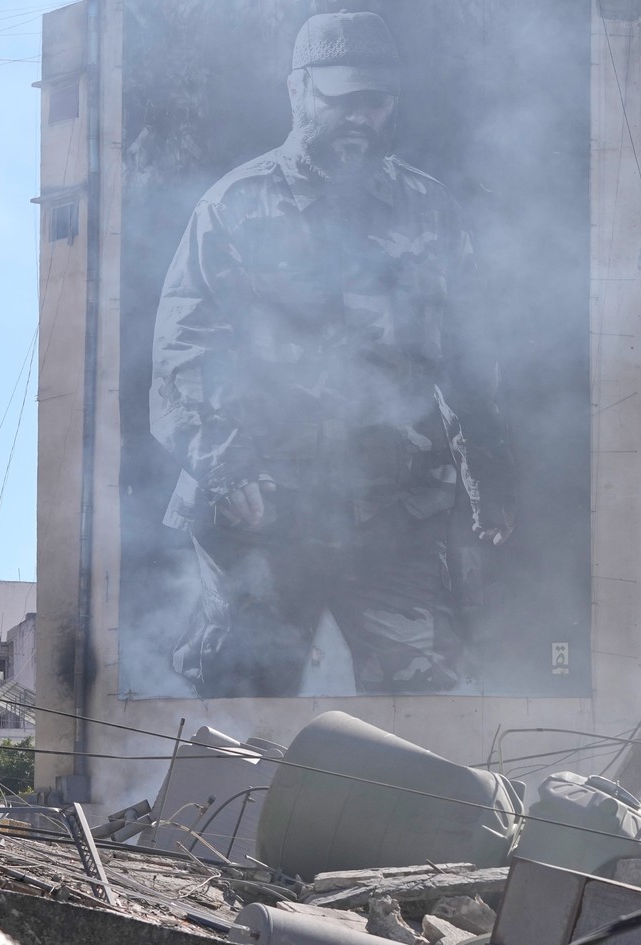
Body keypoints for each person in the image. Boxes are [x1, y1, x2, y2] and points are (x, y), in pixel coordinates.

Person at [150, 11, 514, 698]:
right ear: (298, 92)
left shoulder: (429, 211)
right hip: (262, 511)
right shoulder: (234, 207)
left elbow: (468, 351)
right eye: (340, 97)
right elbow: (184, 351)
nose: (359, 116)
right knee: (245, 699)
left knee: (419, 702)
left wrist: (486, 472)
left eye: (374, 101)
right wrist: (229, 470)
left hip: (390, 511)